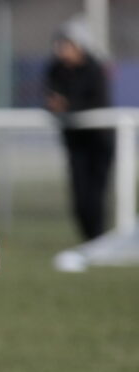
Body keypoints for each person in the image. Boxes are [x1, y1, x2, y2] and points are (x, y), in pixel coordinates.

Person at [44, 18, 113, 245]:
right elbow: (51, 98)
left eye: (67, 44)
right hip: (75, 142)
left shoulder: (94, 69)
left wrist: (68, 105)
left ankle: (98, 240)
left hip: (99, 142)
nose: (61, 49)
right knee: (79, 196)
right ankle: (89, 241)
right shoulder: (55, 69)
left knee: (95, 196)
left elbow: (97, 102)